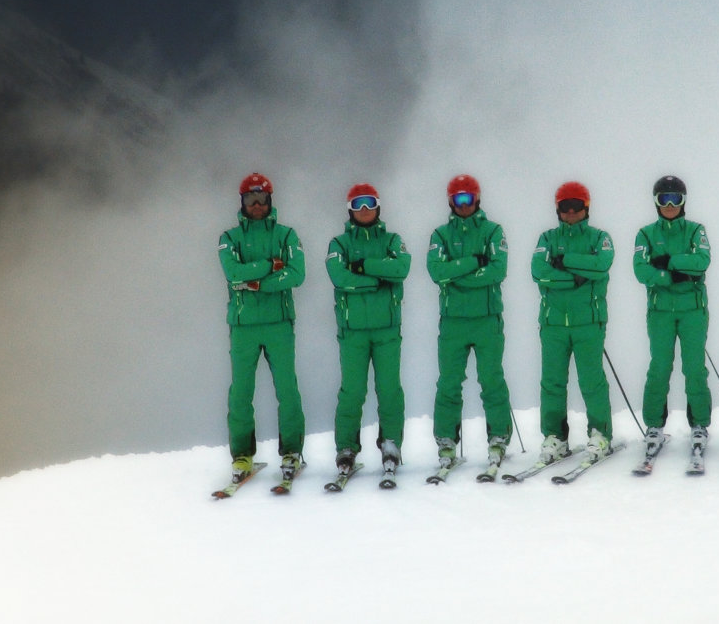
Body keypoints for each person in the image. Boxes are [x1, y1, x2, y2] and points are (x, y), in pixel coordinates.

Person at [217, 173, 307, 486]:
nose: (257, 205)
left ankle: (292, 451)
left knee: (287, 390)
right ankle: (242, 455)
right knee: (241, 393)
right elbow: (232, 273)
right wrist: (271, 265)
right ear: (242, 202)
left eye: (262, 199)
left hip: (279, 323)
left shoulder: (287, 235)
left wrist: (254, 283)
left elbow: (296, 274)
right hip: (243, 326)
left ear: (270, 201)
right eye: (250, 200)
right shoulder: (229, 238)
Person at [426, 174, 513, 470]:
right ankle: (446, 440)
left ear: (477, 199)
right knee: (449, 382)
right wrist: (475, 262)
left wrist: (457, 275)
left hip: (487, 318)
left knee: (491, 379)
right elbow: (437, 272)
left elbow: (498, 270)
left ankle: (498, 436)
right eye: (458, 199)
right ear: (450, 202)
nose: (464, 205)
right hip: (453, 322)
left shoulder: (493, 231)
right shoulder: (440, 235)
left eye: (469, 199)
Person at [326, 183, 412, 480]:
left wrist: (361, 267)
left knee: (389, 390)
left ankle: (391, 444)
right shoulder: (339, 244)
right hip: (353, 331)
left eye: (370, 203)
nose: (364, 210)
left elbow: (401, 269)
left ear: (378, 206)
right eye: (359, 204)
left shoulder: (392, 240)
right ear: (350, 208)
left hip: (387, 328)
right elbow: (338, 276)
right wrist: (376, 279)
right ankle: (346, 448)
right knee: (352, 391)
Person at [531, 181, 616, 462]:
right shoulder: (546, 238)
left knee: (592, 381)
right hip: (553, 323)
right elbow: (538, 271)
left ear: (586, 208)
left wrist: (563, 260)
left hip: (588, 322)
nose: (570, 212)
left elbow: (601, 265)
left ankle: (600, 434)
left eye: (576, 207)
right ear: (557, 209)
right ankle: (555, 437)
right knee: (552, 382)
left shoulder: (600, 237)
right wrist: (578, 276)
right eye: (565, 207)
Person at [632, 175, 713, 461]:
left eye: (675, 199)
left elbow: (702, 261)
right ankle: (654, 425)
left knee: (694, 368)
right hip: (661, 311)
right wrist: (676, 275)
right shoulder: (645, 234)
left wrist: (666, 261)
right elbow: (642, 271)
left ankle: (700, 423)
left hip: (692, 310)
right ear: (655, 202)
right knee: (660, 367)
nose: (669, 205)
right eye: (663, 199)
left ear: (683, 201)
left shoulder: (695, 231)